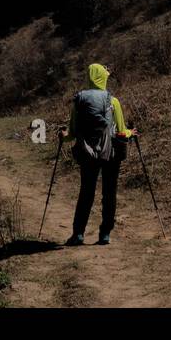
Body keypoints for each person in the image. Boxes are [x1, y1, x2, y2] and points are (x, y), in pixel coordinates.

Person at [58, 63, 135, 246]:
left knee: (86, 193)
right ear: (104, 77)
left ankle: (78, 234)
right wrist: (132, 133)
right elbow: (121, 132)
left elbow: (72, 134)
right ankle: (105, 234)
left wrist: (63, 136)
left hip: (87, 153)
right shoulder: (113, 101)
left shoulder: (79, 101)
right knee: (109, 193)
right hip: (111, 154)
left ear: (90, 77)